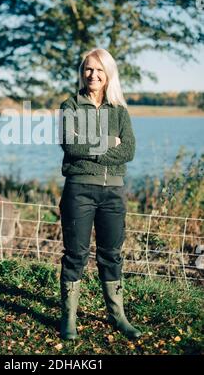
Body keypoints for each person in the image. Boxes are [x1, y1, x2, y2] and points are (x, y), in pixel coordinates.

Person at [58, 47, 141, 341]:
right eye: (88, 69)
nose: (93, 75)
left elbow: (128, 150)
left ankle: (117, 315)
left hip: (114, 193)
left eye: (99, 70)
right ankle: (68, 318)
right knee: (75, 255)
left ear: (108, 75)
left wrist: (93, 149)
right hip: (79, 190)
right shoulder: (70, 106)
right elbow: (71, 145)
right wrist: (108, 144)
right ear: (82, 73)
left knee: (111, 255)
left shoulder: (119, 110)